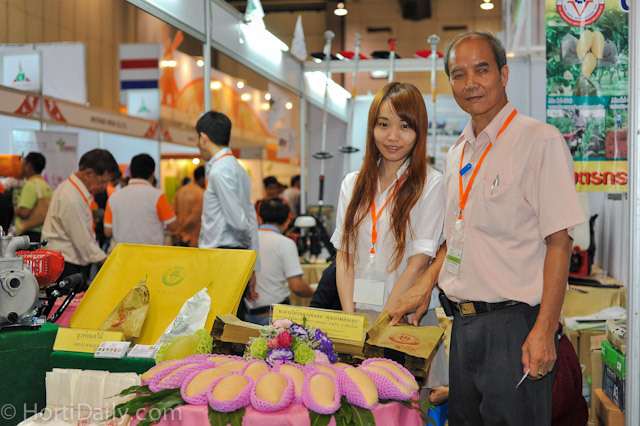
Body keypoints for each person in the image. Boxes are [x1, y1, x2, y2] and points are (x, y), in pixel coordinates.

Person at [388, 31, 585, 425]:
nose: (470, 83)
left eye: (482, 70)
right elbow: (456, 237)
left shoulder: (539, 140)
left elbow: (559, 242)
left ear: (504, 74)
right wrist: (424, 287)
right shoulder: (456, 154)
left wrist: (545, 328)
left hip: (515, 328)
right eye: (458, 74)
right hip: (462, 327)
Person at [331, 82, 445, 326]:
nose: (393, 136)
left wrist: (382, 324)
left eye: (404, 126)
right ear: (372, 128)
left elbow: (419, 263)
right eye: (383, 124)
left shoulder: (431, 184)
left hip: (406, 318)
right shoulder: (352, 184)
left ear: (419, 131)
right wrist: (351, 322)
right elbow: (344, 256)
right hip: (359, 315)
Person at [196, 110, 260, 312]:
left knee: (221, 319)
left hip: (223, 256)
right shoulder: (237, 169)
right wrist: (252, 264)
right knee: (232, 317)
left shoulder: (220, 170)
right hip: (233, 255)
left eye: (197, 139)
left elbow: (240, 222)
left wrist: (244, 258)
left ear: (203, 138)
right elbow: (251, 218)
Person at [42, 149, 120, 280]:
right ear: (88, 173)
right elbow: (84, 244)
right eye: (103, 181)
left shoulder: (70, 189)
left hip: (65, 263)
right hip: (65, 267)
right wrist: (110, 262)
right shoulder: (72, 198)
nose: (104, 187)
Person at [244, 198, 315, 326]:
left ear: (259, 218)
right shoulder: (285, 243)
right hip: (274, 317)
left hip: (246, 315)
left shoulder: (247, 240)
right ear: (287, 221)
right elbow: (297, 287)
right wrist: (314, 291)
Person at [104, 153, 177, 246]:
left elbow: (108, 231)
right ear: (152, 174)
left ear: (130, 173)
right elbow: (173, 226)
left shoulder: (113, 198)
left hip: (124, 253)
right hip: (150, 253)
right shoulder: (157, 195)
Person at [15, 152, 52, 242]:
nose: (21, 166)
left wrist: (12, 209)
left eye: (23, 163)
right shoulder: (46, 186)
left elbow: (24, 212)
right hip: (42, 234)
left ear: (28, 167)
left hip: (29, 235)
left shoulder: (30, 185)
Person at [172, 165, 205, 247]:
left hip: (178, 237)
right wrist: (181, 230)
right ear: (202, 178)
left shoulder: (180, 191)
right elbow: (194, 218)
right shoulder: (201, 194)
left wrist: (177, 232)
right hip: (192, 239)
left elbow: (173, 212)